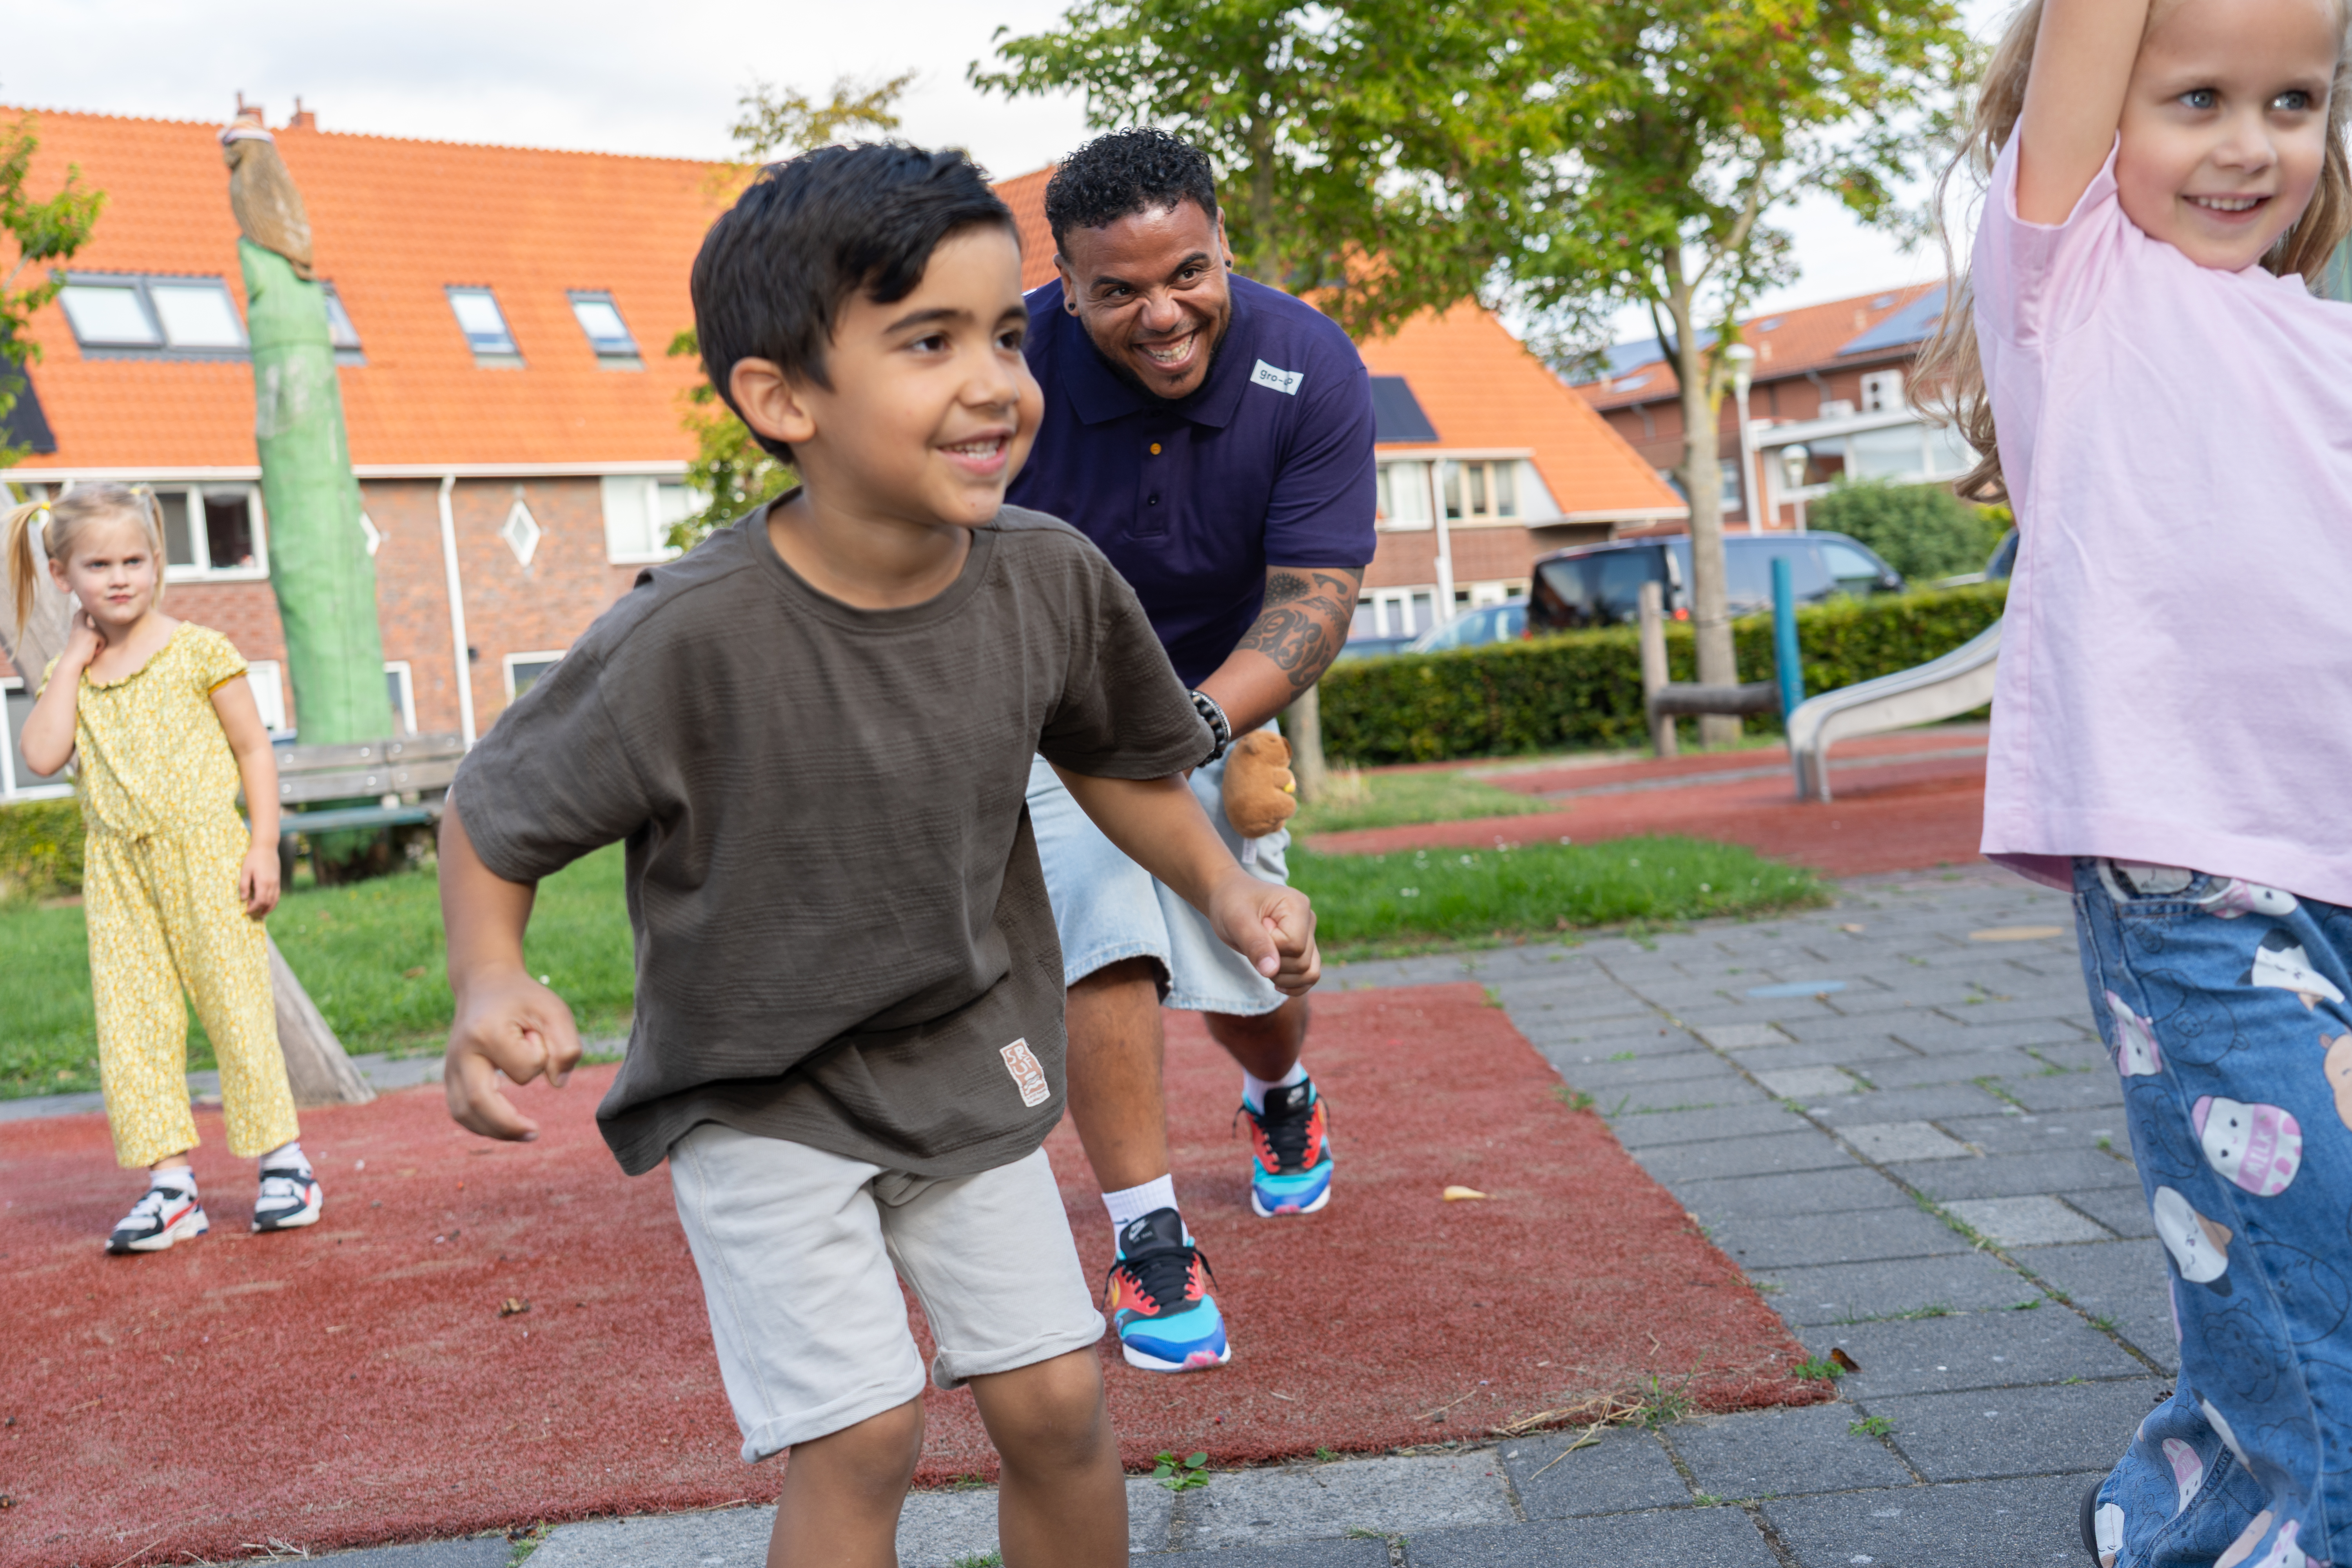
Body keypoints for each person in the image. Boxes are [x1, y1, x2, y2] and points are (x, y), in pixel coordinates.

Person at [434, 144, 1319, 1568]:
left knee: (1057, 1405)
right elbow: (494, 813)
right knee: (864, 1435)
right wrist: (490, 977)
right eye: (929, 342)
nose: (996, 383)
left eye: (1007, 336)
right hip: (756, 1089)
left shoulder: (1049, 577)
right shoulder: (689, 634)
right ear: (783, 399)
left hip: (963, 1054)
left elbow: (1112, 755)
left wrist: (1221, 885)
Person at [1917, 0, 2352, 1562]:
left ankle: (2187, 1496)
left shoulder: (2321, 337)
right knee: (2317, 1263)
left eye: (2293, 101)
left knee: (2288, 1252)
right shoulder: (2076, 283)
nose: (2250, 144)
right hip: (2194, 879)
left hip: (2334, 859)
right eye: (2198, 100)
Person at [1003, 128, 1376, 1374]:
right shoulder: (1007, 369)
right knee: (1100, 924)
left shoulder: (1309, 362)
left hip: (1218, 697)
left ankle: (1279, 1094)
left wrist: (1200, 725)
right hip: (1055, 706)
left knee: (1257, 970)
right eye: (1119, 290)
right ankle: (1149, 1238)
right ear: (1066, 287)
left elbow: (1319, 592)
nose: (1162, 315)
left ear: (1224, 246)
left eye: (1189, 274)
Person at [7, 485, 320, 1253]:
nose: (119, 578)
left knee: (236, 1009)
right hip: (118, 874)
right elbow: (41, 755)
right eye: (98, 565)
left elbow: (253, 749)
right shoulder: (74, 675)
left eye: (134, 561)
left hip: (208, 856)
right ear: (63, 575)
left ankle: (286, 1166)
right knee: (133, 1024)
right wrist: (71, 659)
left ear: (157, 561)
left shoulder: (199, 650)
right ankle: (171, 1186)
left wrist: (262, 845)